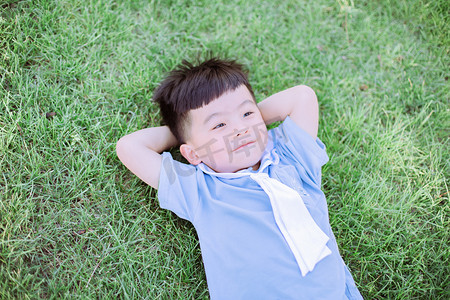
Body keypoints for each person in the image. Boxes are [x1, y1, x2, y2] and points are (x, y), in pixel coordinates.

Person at [116, 58, 363, 299]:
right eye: (220, 125)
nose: (239, 128)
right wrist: (186, 137)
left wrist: (250, 120)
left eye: (246, 113)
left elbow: (302, 96)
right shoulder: (199, 190)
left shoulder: (291, 158)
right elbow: (130, 147)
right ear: (192, 153)